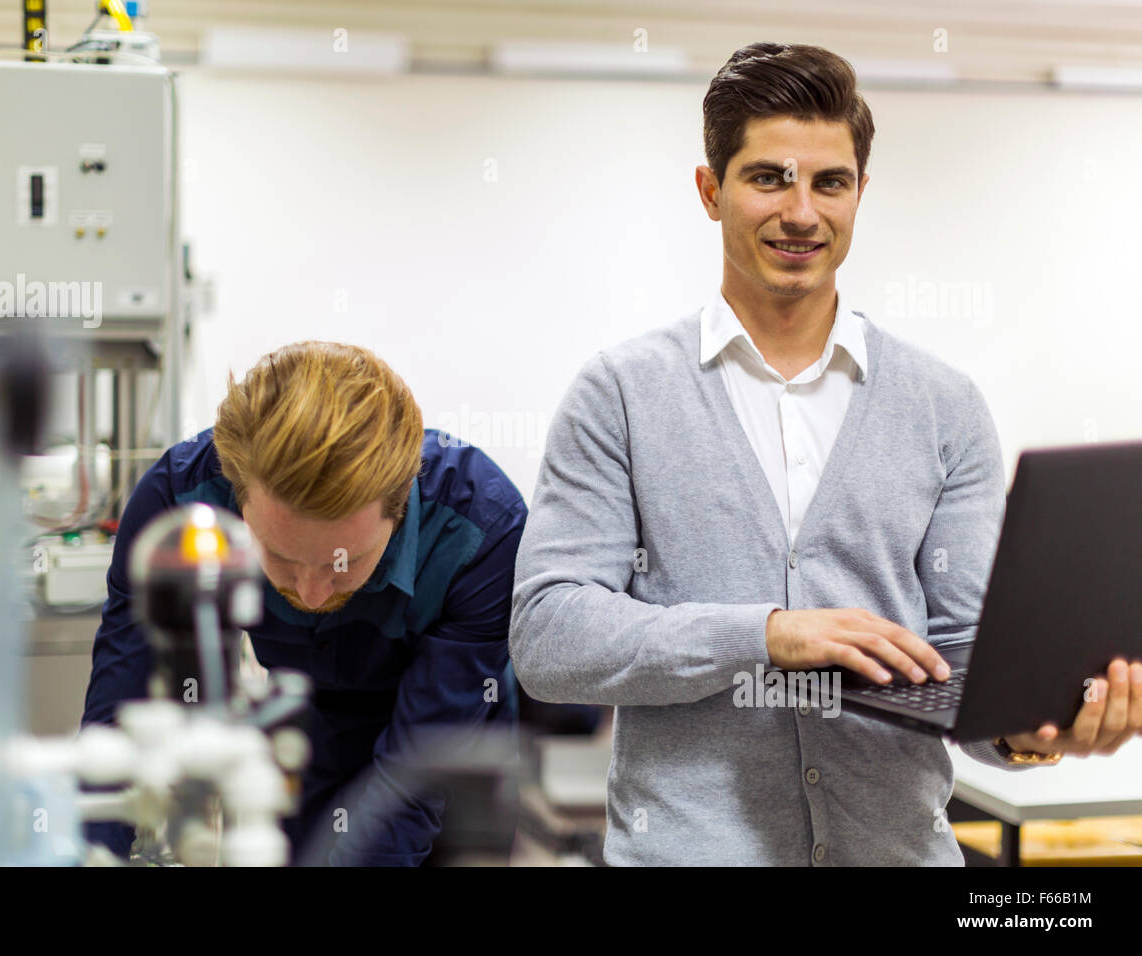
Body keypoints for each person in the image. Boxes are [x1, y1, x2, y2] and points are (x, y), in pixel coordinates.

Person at [509, 41, 1142, 866]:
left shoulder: (943, 407)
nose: (801, 212)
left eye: (829, 182)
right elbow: (550, 636)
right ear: (711, 190)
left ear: (860, 193)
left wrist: (1032, 728)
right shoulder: (621, 395)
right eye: (768, 177)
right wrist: (764, 635)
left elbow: (960, 661)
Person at [82, 341, 526, 865]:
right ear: (236, 495)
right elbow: (118, 718)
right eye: (281, 557)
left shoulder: (481, 531)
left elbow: (413, 781)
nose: (312, 594)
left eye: (345, 563)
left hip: (452, 760)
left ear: (401, 504)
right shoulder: (179, 502)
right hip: (310, 728)